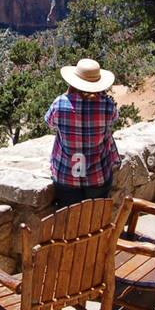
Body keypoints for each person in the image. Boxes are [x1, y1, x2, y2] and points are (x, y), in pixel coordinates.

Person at [45, 58, 120, 208]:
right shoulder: (107, 105)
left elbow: (50, 122)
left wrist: (68, 93)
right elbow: (114, 118)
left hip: (66, 176)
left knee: (70, 217)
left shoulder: (60, 103)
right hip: (97, 175)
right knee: (96, 216)